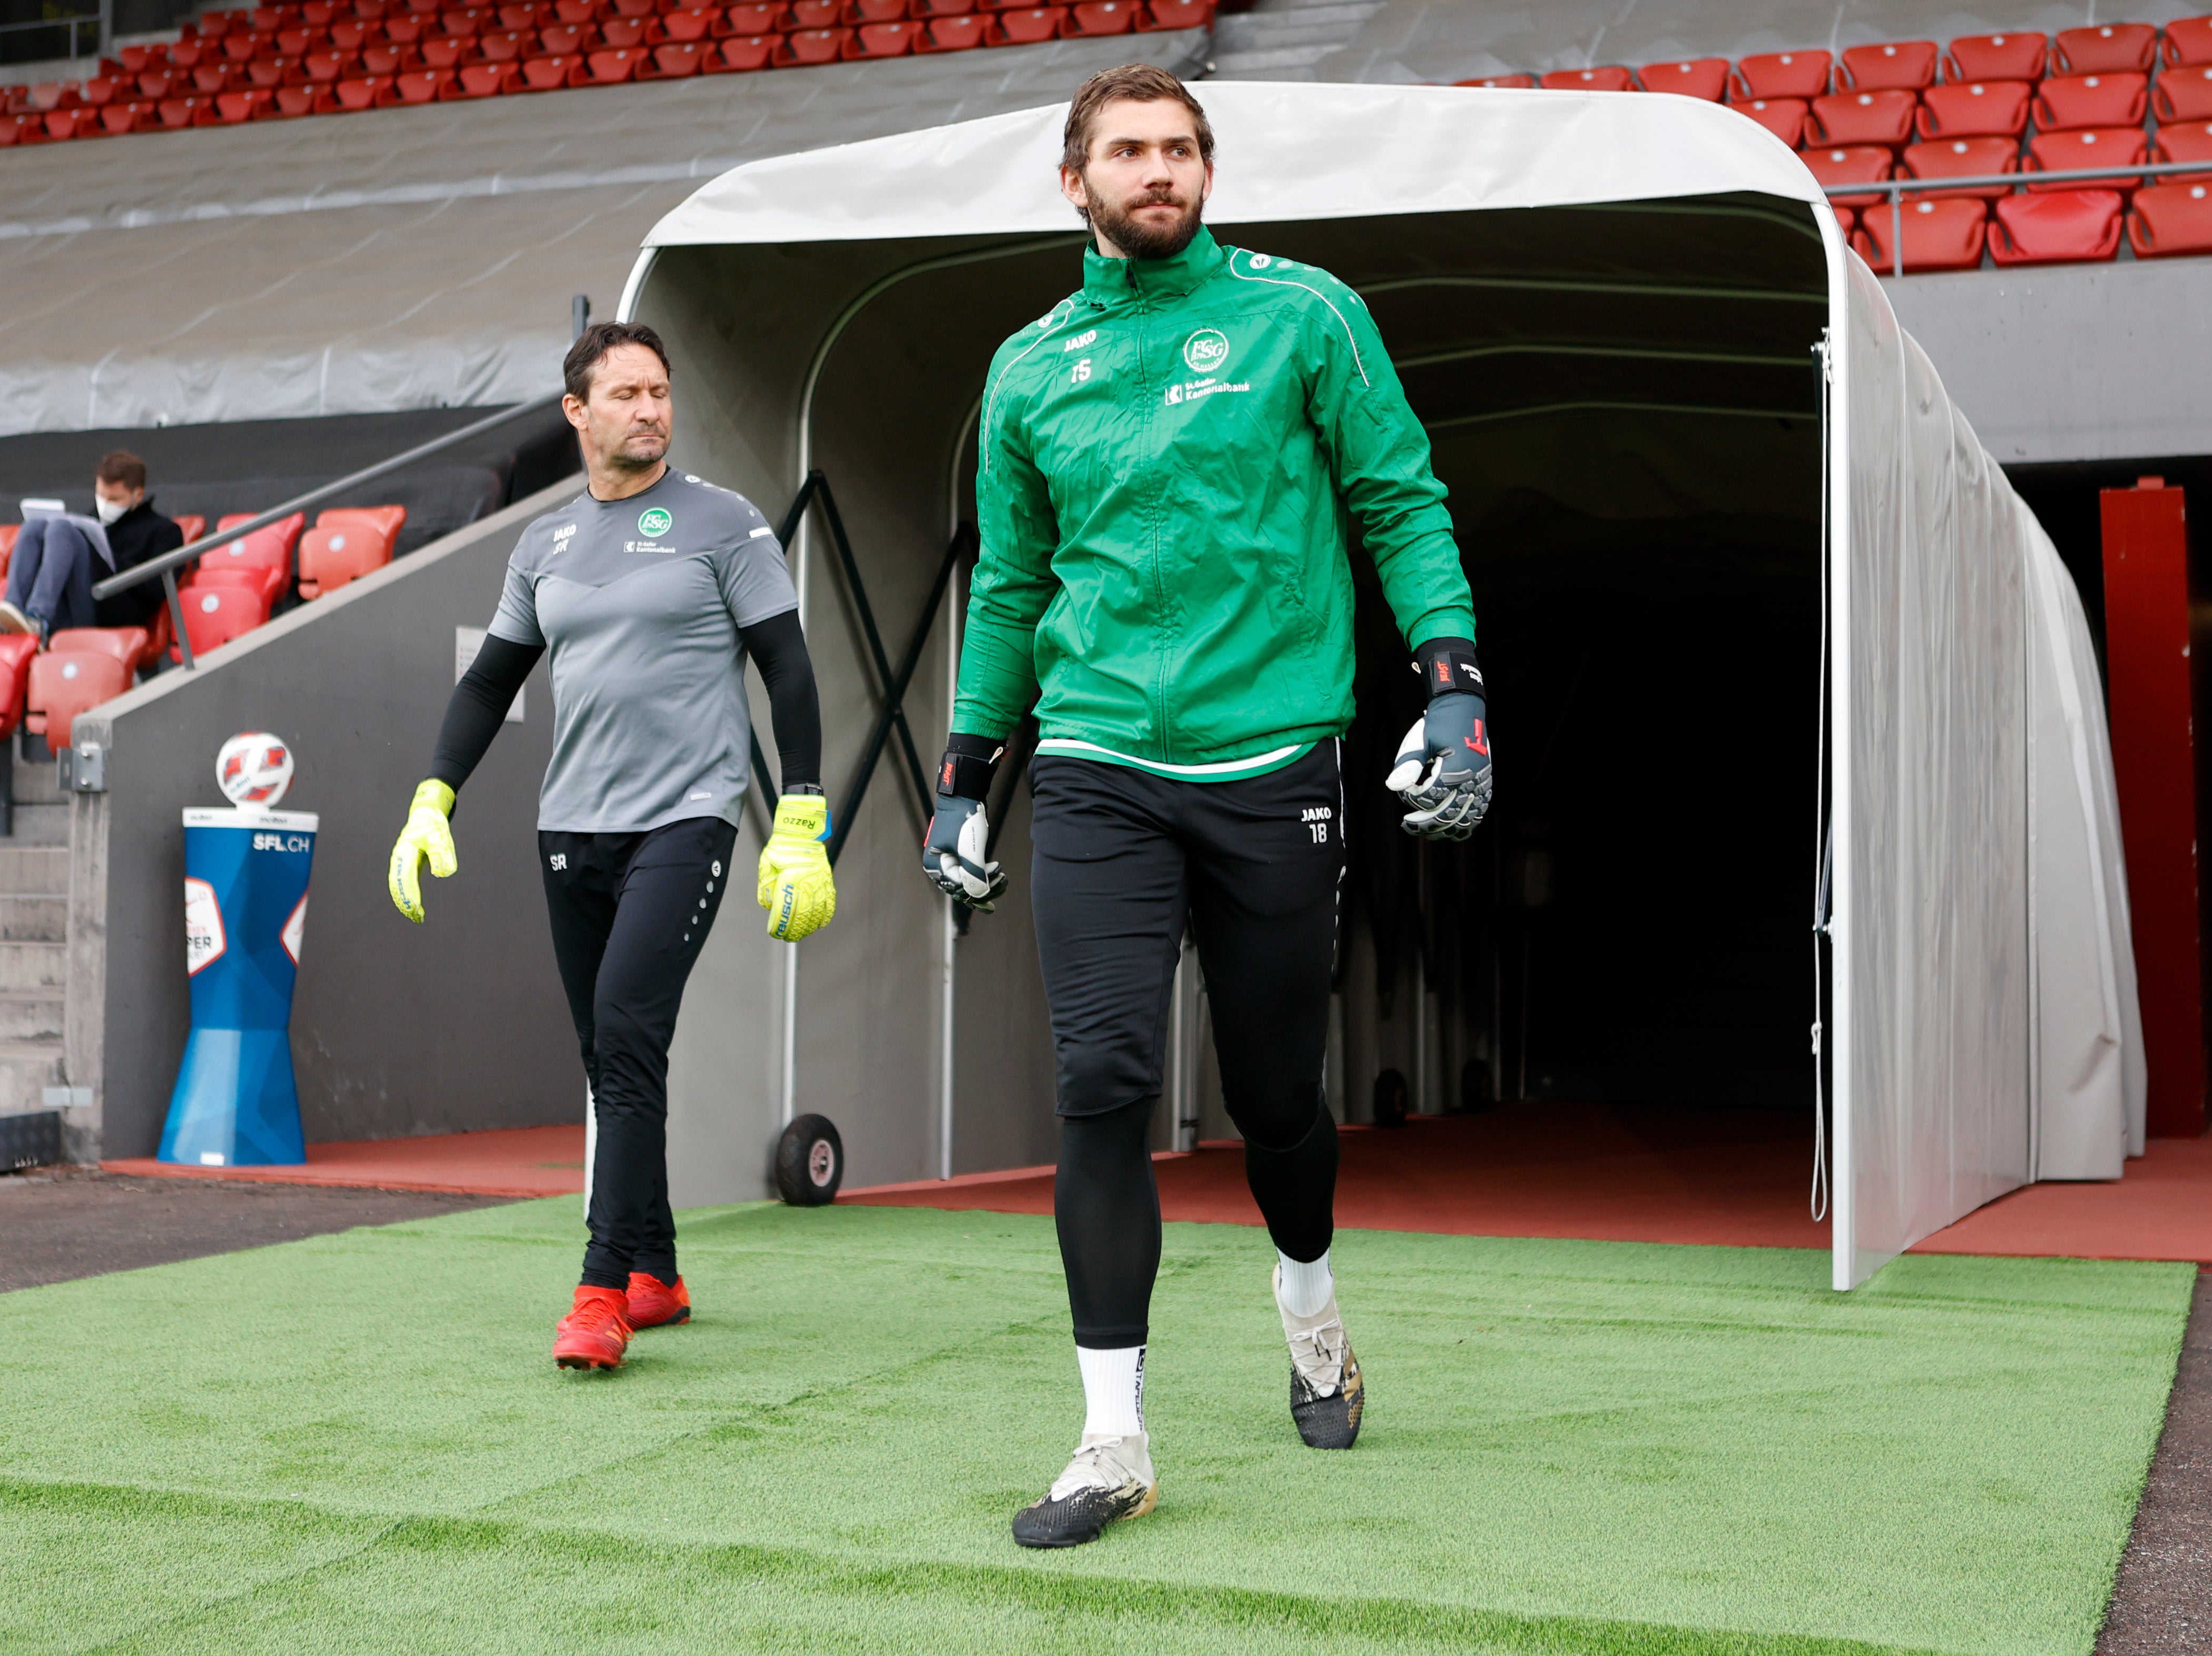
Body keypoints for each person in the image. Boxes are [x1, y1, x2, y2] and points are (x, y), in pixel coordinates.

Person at [921, 64, 1494, 1548]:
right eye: (1130, 152)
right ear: (1076, 182)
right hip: (1100, 758)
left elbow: (1399, 499)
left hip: (1274, 760)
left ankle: (1307, 1293)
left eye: (1181, 149)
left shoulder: (1306, 316)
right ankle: (1112, 1438)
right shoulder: (1029, 368)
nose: (1159, 171)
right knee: (1101, 1081)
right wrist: (964, 779)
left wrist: (1452, 680)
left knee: (1276, 1094)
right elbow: (1009, 585)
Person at [387, 320, 837, 1372]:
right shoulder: (541, 542)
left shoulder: (723, 523)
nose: (650, 408)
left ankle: (599, 1291)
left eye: (660, 391)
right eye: (626, 393)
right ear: (578, 413)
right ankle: (660, 1270)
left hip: (684, 815)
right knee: (609, 1053)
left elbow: (789, 669)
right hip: (568, 823)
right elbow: (491, 678)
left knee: (628, 1036)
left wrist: (804, 814)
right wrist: (430, 797)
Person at [0, 449, 179, 638]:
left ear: (138, 495)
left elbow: (159, 588)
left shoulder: (163, 531)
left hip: (111, 614)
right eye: (100, 496)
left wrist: (107, 558)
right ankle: (9, 611)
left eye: (114, 499)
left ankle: (38, 617)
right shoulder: (89, 521)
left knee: (62, 530)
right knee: (35, 527)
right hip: (73, 605)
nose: (105, 505)